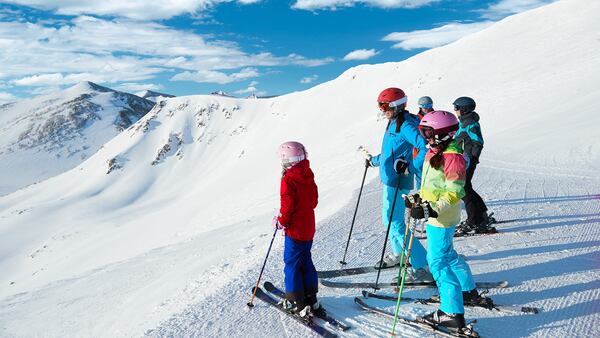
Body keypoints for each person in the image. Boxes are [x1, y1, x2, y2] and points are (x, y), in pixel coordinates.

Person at [409, 110, 491, 331]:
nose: (425, 136)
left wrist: (431, 209)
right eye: (422, 131)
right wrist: (419, 200)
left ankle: (451, 313)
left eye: (428, 132)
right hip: (437, 214)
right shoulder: (434, 152)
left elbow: (455, 190)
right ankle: (467, 291)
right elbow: (434, 186)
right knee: (448, 255)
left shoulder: (452, 156)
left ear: (444, 133)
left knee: (438, 262)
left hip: (441, 218)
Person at [365, 87, 432, 283]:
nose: (381, 109)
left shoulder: (405, 126)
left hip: (398, 180)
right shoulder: (394, 122)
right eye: (380, 105)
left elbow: (425, 146)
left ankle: (422, 266)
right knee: (389, 222)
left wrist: (410, 167)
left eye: (384, 105)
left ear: (395, 105)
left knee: (396, 225)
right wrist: (374, 160)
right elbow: (390, 152)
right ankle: (400, 254)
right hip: (390, 179)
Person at [274, 141, 323, 317]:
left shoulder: (288, 179)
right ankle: (311, 297)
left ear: (289, 160)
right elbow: (314, 200)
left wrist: (281, 221)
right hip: (308, 227)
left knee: (292, 264)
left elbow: (287, 205)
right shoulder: (307, 173)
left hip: (295, 230)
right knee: (305, 261)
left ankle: (297, 301)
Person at [452, 97, 495, 235]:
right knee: (467, 187)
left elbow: (478, 142)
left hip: (467, 160)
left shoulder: (470, 123)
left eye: (456, 107)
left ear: (464, 109)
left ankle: (473, 221)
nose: (455, 110)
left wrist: (472, 158)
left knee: (463, 189)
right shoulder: (464, 122)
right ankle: (481, 214)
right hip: (464, 159)